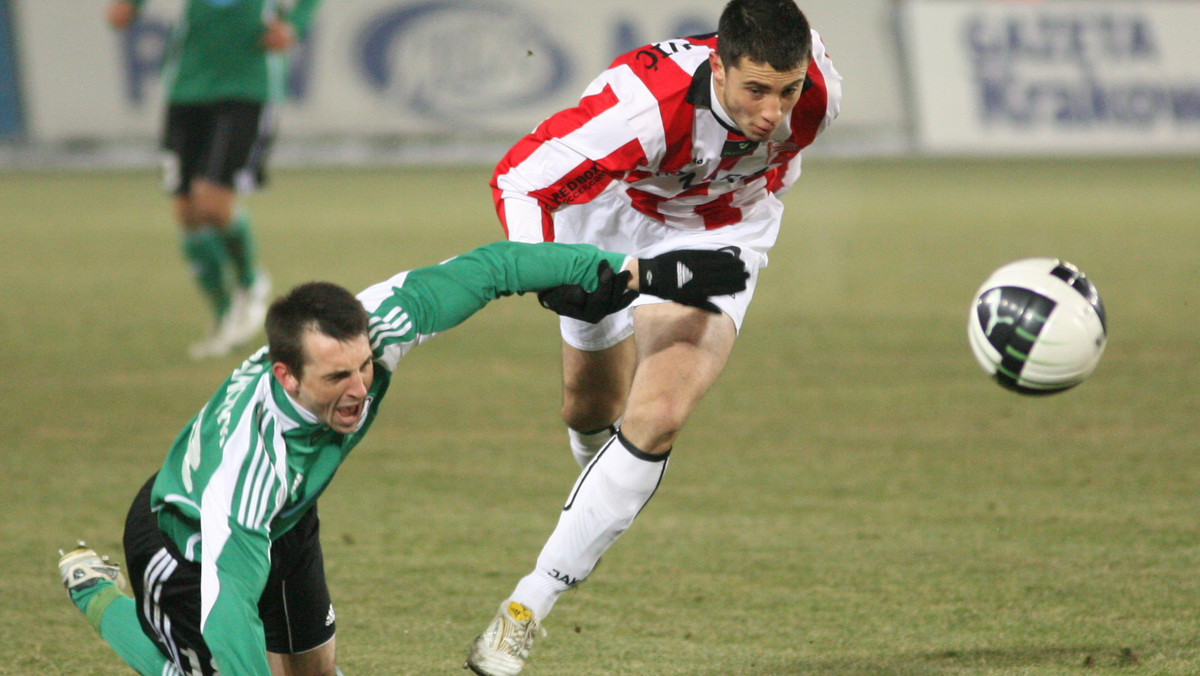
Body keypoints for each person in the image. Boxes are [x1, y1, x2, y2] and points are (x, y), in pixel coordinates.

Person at [57, 241, 748, 676]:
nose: (360, 390)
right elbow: (223, 608)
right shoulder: (248, 472)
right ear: (285, 376)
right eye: (337, 380)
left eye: (364, 368)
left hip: (287, 519)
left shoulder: (379, 325)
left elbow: (491, 269)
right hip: (189, 544)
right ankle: (95, 592)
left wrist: (631, 272)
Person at [464, 1, 842, 674]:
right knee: (588, 407)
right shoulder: (639, 109)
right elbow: (520, 178)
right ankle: (600, 481)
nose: (772, 112)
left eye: (786, 91)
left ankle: (527, 606)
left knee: (659, 412)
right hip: (610, 218)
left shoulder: (818, 92)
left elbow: (778, 160)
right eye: (756, 90)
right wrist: (549, 271)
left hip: (719, 234)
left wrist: (727, 237)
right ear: (718, 66)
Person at [106, 0, 323, 359]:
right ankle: (224, 314)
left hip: (247, 85)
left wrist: (294, 24)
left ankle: (251, 283)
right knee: (186, 212)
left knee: (211, 203)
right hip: (187, 86)